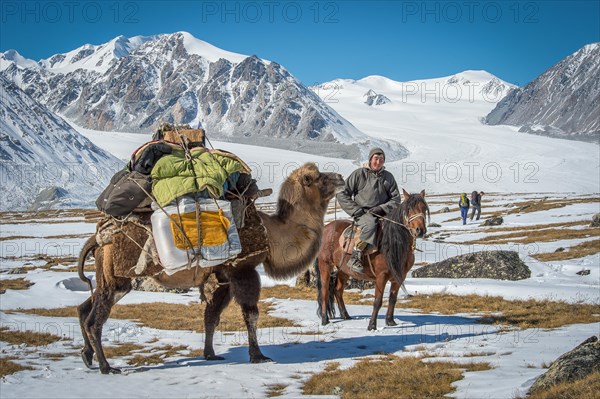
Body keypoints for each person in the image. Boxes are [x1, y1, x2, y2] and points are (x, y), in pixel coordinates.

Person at [337, 148, 401, 273]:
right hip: (363, 213)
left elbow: (396, 199)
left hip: (383, 213)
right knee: (370, 225)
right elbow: (341, 192)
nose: (378, 162)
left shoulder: (388, 177)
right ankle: (356, 256)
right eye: (376, 159)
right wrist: (356, 210)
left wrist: (381, 208)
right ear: (370, 159)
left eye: (381, 160)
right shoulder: (359, 174)